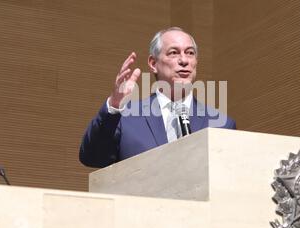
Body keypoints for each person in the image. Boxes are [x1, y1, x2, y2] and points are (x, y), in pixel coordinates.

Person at [79, 27, 236, 168]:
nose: (184, 60)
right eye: (174, 53)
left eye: (190, 53)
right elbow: (93, 158)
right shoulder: (126, 118)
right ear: (153, 63)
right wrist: (114, 105)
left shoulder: (221, 124)